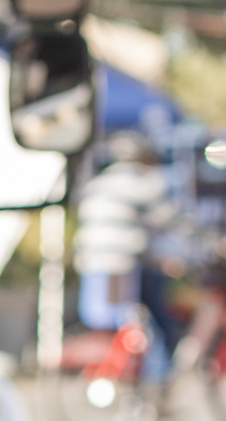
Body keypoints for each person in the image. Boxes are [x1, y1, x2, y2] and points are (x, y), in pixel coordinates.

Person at [73, 130, 183, 388]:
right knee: (150, 320)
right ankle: (156, 378)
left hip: (92, 263)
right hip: (120, 265)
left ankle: (140, 377)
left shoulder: (97, 183)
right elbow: (170, 220)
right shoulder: (142, 182)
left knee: (113, 319)